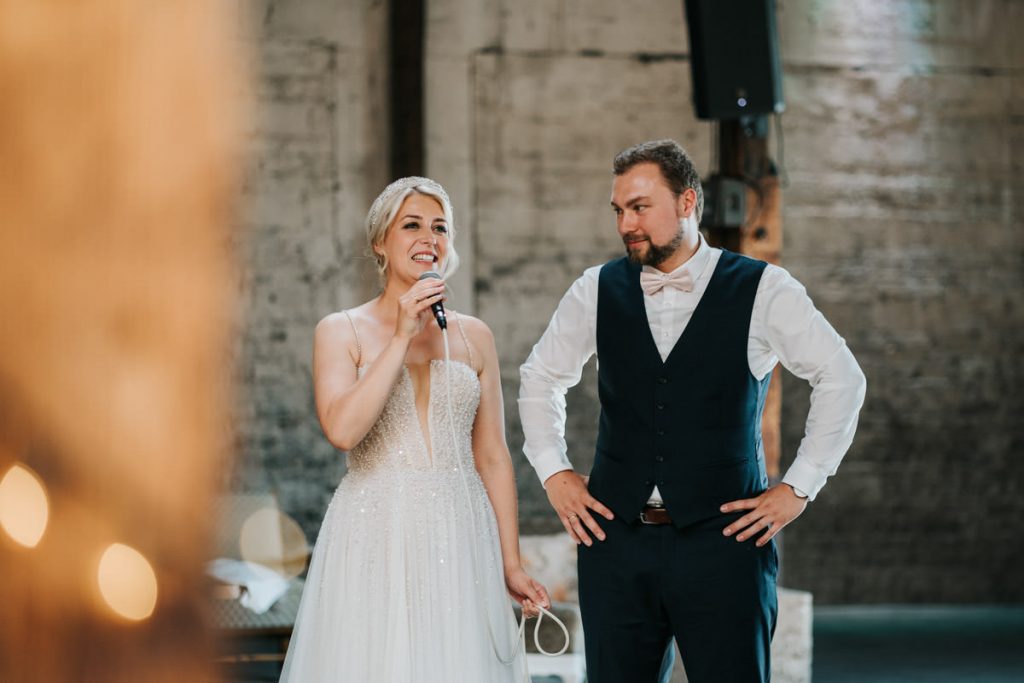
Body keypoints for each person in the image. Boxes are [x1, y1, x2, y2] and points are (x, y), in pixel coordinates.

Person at [519, 140, 867, 682]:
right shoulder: (596, 289)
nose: (626, 224)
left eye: (640, 207)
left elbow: (842, 377)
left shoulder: (764, 289)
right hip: (616, 546)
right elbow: (540, 376)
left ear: (687, 203)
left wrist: (799, 487)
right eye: (618, 210)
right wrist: (554, 471)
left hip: (726, 546)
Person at [280, 176, 549, 682]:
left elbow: (492, 454)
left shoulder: (474, 337)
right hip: (375, 530)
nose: (429, 238)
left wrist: (509, 561)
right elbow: (342, 430)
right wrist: (401, 336)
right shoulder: (341, 330)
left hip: (460, 530)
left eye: (440, 227)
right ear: (381, 242)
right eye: (412, 225)